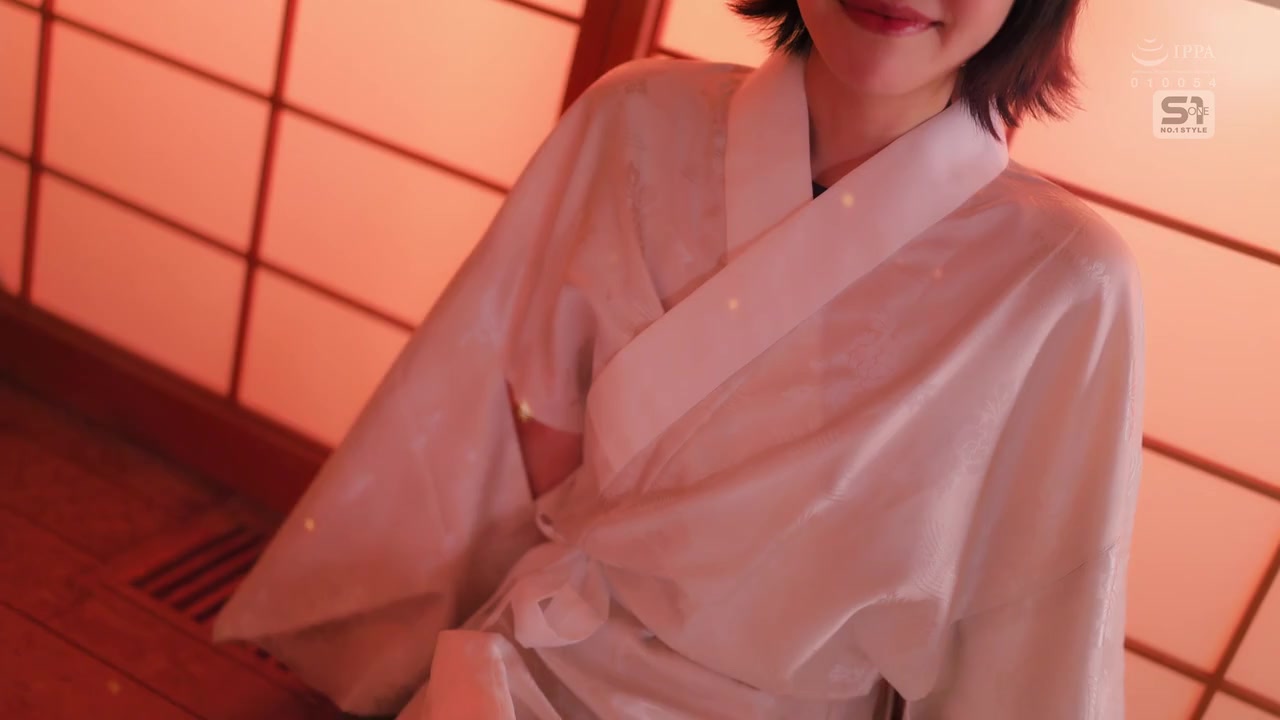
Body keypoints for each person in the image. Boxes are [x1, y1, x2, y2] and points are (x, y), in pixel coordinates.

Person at [213, 0, 1146, 717]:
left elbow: (1036, 635)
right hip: (540, 666)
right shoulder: (633, 116)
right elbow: (518, 411)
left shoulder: (1065, 278)